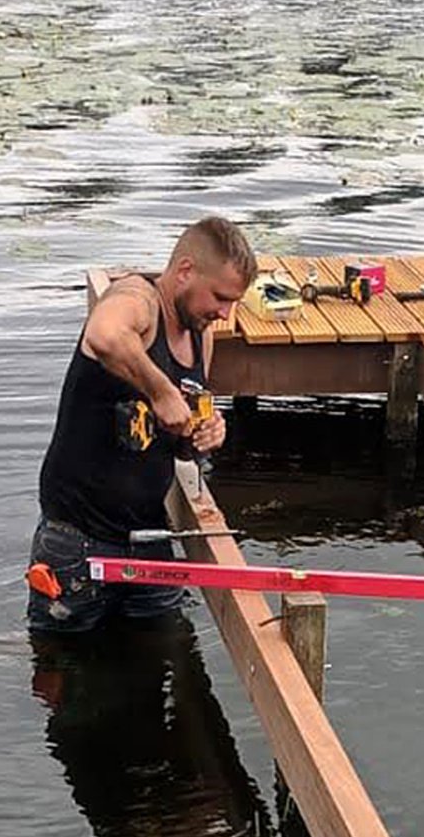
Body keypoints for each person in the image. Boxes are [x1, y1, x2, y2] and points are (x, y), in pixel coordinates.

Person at [25, 215, 254, 632]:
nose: (225, 312)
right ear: (185, 270)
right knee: (64, 668)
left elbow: (181, 439)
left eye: (232, 301)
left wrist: (203, 434)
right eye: (219, 297)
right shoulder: (138, 300)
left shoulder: (200, 335)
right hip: (78, 542)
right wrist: (161, 391)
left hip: (148, 538)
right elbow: (105, 334)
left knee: (161, 656)